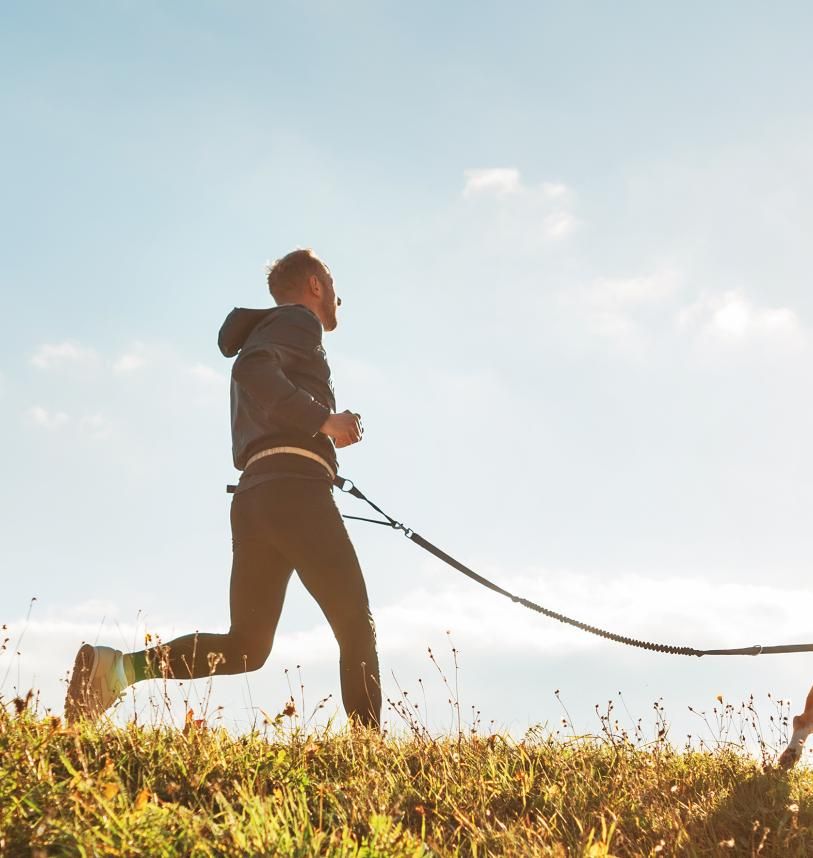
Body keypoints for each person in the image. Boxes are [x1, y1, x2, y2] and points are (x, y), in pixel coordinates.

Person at [64, 248, 382, 728]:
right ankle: (368, 754)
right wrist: (324, 420)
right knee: (356, 623)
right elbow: (252, 370)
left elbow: (256, 374)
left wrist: (322, 431)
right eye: (333, 283)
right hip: (294, 493)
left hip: (257, 496)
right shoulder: (299, 321)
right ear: (315, 285)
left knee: (248, 646)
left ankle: (118, 668)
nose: (339, 296)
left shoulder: (272, 329)